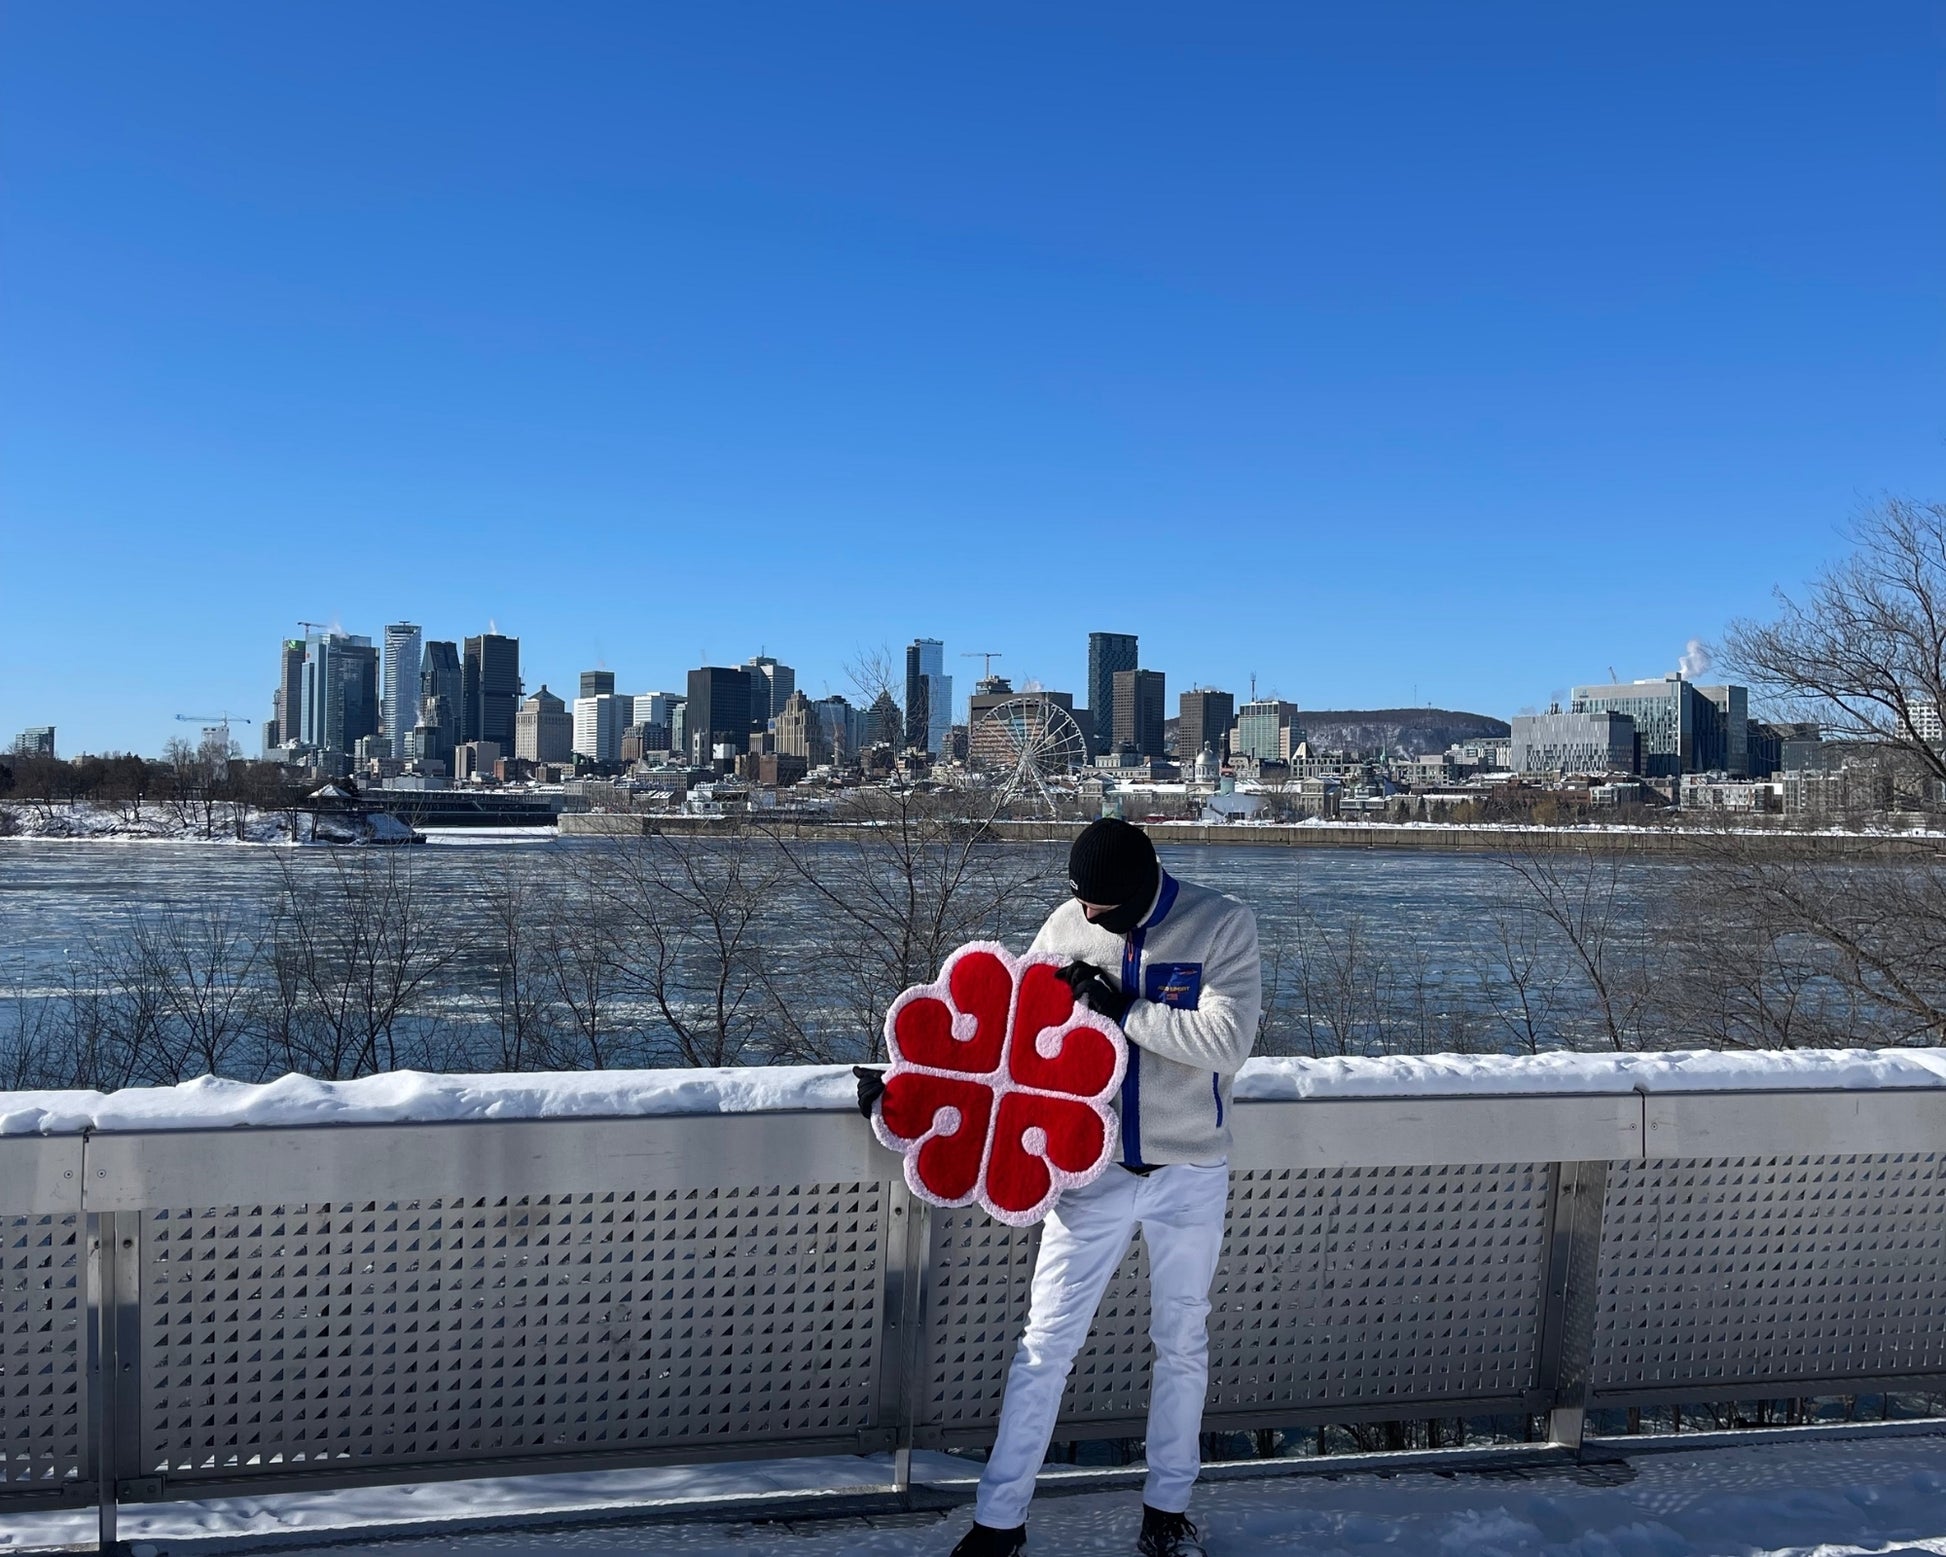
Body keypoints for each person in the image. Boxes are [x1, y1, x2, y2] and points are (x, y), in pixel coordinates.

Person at [857, 817, 1261, 1557]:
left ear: (1139, 890)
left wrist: (1125, 1010)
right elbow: (1008, 1041)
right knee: (1043, 1344)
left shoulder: (1222, 925)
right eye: (1080, 903)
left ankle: (1166, 1513)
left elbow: (1226, 1043)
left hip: (1190, 1171)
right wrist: (906, 1091)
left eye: (1100, 906)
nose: (1088, 917)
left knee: (1182, 1341)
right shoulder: (1067, 924)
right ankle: (998, 1521)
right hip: (1090, 1173)